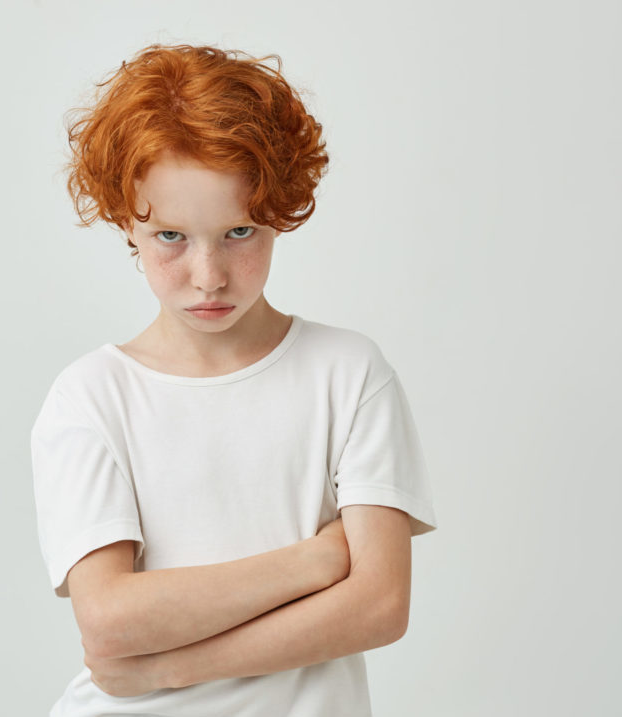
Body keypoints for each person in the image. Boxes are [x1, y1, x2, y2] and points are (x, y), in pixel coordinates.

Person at [30, 43, 438, 717]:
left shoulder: (349, 374)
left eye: (239, 230)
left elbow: (381, 604)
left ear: (281, 210)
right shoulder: (91, 398)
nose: (209, 274)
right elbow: (107, 620)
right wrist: (315, 561)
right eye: (170, 237)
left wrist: (169, 665)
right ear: (125, 221)